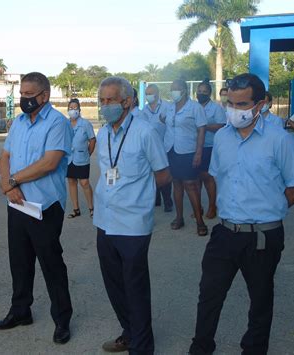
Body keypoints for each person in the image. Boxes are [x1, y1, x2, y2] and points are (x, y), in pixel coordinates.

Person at [189, 73, 294, 355]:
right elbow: (217, 177)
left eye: (242, 105)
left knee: (261, 301)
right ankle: (201, 348)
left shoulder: (280, 140)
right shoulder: (223, 139)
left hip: (263, 237)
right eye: (231, 103)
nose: (234, 110)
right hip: (225, 233)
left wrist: (269, 208)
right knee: (209, 296)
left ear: (261, 104)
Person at [0, 72, 73, 345]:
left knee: (51, 264)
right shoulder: (17, 123)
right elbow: (5, 157)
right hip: (16, 203)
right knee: (19, 261)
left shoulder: (57, 123)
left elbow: (49, 163)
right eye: (22, 94)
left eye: (29, 94)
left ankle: (62, 319)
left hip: (44, 206)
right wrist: (8, 185)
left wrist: (14, 180)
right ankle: (20, 311)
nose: (24, 99)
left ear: (44, 95)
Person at [94, 76, 171, 354]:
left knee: (135, 287)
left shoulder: (144, 132)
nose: (105, 106)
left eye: (110, 100)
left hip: (134, 224)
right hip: (105, 220)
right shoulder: (103, 134)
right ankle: (129, 332)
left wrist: (139, 197)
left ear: (126, 101)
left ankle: (142, 346)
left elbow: (163, 175)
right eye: (101, 101)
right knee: (114, 285)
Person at [167, 79, 208, 236]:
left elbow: (202, 130)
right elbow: (167, 122)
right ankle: (179, 218)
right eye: (171, 89)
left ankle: (199, 221)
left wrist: (198, 152)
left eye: (176, 89)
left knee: (191, 185)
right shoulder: (170, 108)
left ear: (184, 90)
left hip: (188, 152)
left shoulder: (195, 108)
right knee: (176, 184)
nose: (173, 92)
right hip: (171, 151)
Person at [196, 80, 226, 219]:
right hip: (194, 147)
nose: (201, 94)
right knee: (195, 179)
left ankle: (212, 206)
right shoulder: (193, 107)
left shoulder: (216, 108)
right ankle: (198, 208)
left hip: (209, 146)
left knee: (207, 177)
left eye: (204, 91)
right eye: (199, 91)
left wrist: (204, 126)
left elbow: (221, 126)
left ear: (209, 93)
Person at [143, 83, 174, 212]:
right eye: (147, 94)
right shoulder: (144, 110)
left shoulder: (167, 107)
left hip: (164, 146)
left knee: (164, 173)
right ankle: (156, 199)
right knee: (152, 173)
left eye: (150, 93)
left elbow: (172, 125)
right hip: (150, 147)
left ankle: (168, 201)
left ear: (157, 93)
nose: (148, 96)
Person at [66, 98, 96, 218]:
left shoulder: (85, 124)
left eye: (75, 108)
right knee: (71, 181)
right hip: (69, 158)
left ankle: (91, 208)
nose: (73, 110)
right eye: (70, 108)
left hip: (82, 157)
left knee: (84, 182)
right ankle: (76, 209)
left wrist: (88, 153)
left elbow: (92, 140)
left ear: (79, 110)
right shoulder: (66, 124)